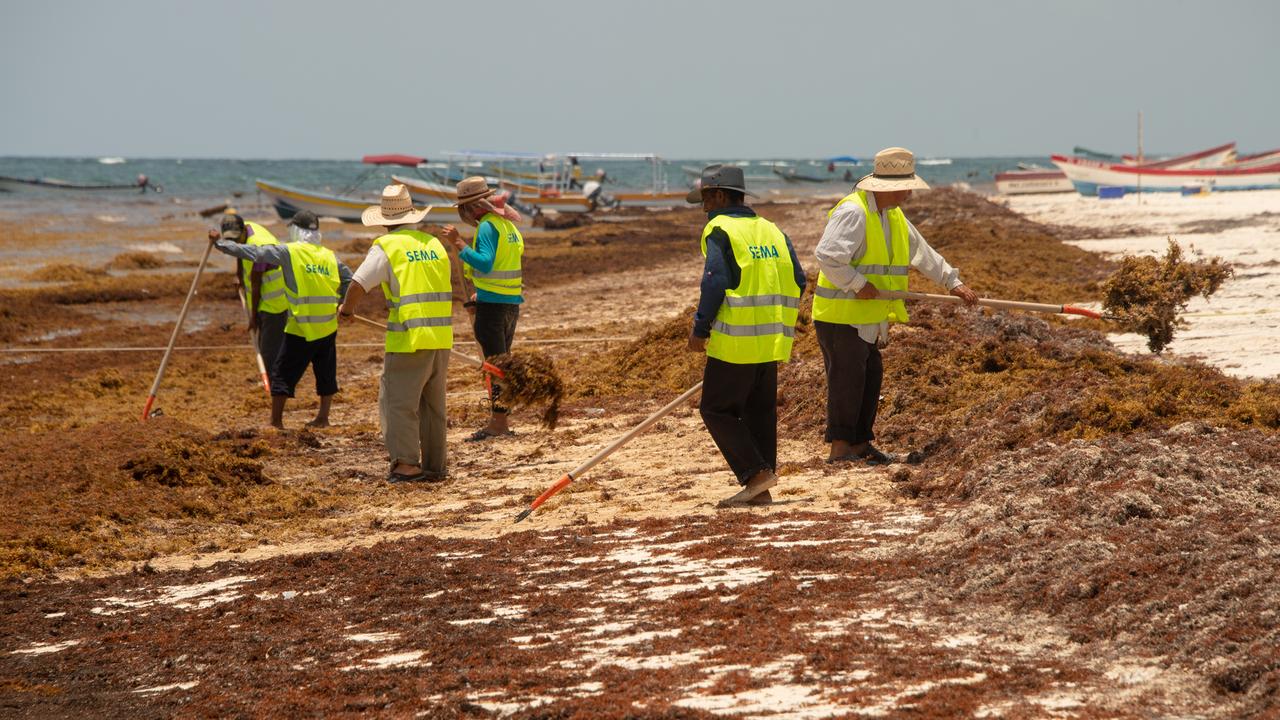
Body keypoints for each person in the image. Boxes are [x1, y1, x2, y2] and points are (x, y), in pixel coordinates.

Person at [812, 147, 978, 464]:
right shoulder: (854, 212)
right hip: (840, 316)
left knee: (869, 377)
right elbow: (828, 256)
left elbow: (922, 252)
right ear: (892, 187)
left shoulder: (893, 215)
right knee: (846, 382)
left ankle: (860, 444)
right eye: (908, 186)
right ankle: (840, 449)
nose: (910, 192)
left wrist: (952, 281)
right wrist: (858, 284)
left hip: (869, 316)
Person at [685, 164, 806, 507]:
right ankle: (761, 486)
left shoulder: (719, 229)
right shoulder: (771, 230)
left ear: (721, 196)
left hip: (736, 339)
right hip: (772, 339)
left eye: (706, 199)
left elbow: (714, 282)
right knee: (759, 410)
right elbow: (799, 278)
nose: (703, 208)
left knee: (716, 409)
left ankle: (754, 474)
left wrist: (700, 329)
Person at [340, 185, 462, 483]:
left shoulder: (387, 246)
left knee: (397, 403)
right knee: (433, 406)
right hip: (440, 336)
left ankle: (406, 464)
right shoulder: (433, 244)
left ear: (385, 219)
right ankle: (435, 466)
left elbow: (358, 283)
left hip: (408, 337)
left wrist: (346, 310)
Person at [210, 210, 352, 429]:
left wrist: (219, 245)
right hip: (327, 326)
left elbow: (254, 253)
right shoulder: (330, 256)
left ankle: (276, 422)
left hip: (301, 327)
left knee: (282, 374)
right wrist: (345, 305)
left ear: (295, 229)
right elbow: (349, 280)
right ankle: (323, 418)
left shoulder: (290, 252)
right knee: (326, 373)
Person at [440, 177, 525, 442]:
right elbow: (504, 264)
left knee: (495, 366)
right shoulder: (507, 226)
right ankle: (501, 419)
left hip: (494, 308)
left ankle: (498, 423)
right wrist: (482, 290)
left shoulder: (488, 227)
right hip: (509, 302)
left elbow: (486, 263)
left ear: (470, 208)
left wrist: (459, 243)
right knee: (501, 362)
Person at [219, 213, 290, 373]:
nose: (235, 242)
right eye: (231, 240)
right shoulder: (246, 230)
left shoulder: (260, 249)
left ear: (243, 229)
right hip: (264, 299)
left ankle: (274, 386)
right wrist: (238, 274)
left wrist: (253, 317)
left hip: (274, 303)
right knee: (268, 346)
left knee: (268, 352)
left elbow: (256, 284)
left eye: (236, 238)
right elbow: (239, 249)